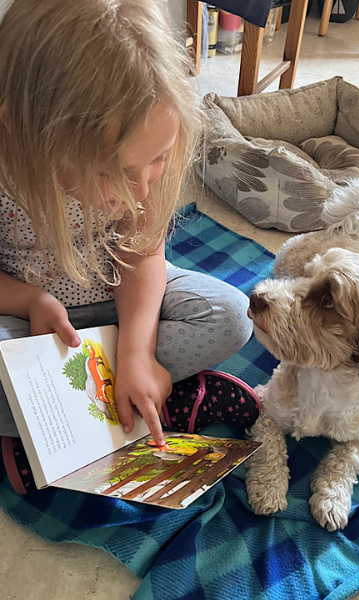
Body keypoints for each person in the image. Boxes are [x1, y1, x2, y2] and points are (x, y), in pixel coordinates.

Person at [0, 0, 259, 491]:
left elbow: (141, 252)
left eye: (157, 161)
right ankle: (101, 411)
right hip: (24, 317)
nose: (140, 190)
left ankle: (117, 396)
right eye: (112, 173)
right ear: (28, 133)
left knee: (231, 314)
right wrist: (29, 299)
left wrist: (138, 351)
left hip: (118, 299)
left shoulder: (143, 141)